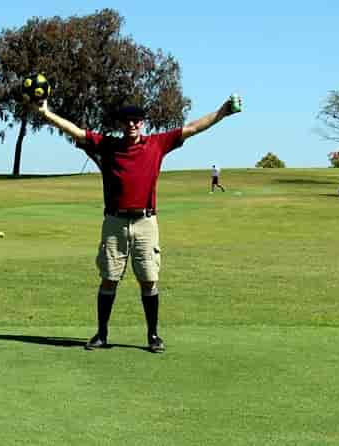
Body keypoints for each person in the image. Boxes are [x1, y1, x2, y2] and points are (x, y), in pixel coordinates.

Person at [34, 96, 241, 352]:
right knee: (109, 279)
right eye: (127, 121)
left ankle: (153, 336)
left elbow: (193, 127)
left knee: (149, 280)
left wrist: (222, 112)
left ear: (142, 123)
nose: (131, 124)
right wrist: (46, 113)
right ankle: (101, 334)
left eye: (136, 120)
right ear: (121, 124)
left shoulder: (157, 144)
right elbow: (76, 131)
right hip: (114, 222)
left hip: (146, 221)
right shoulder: (108, 145)